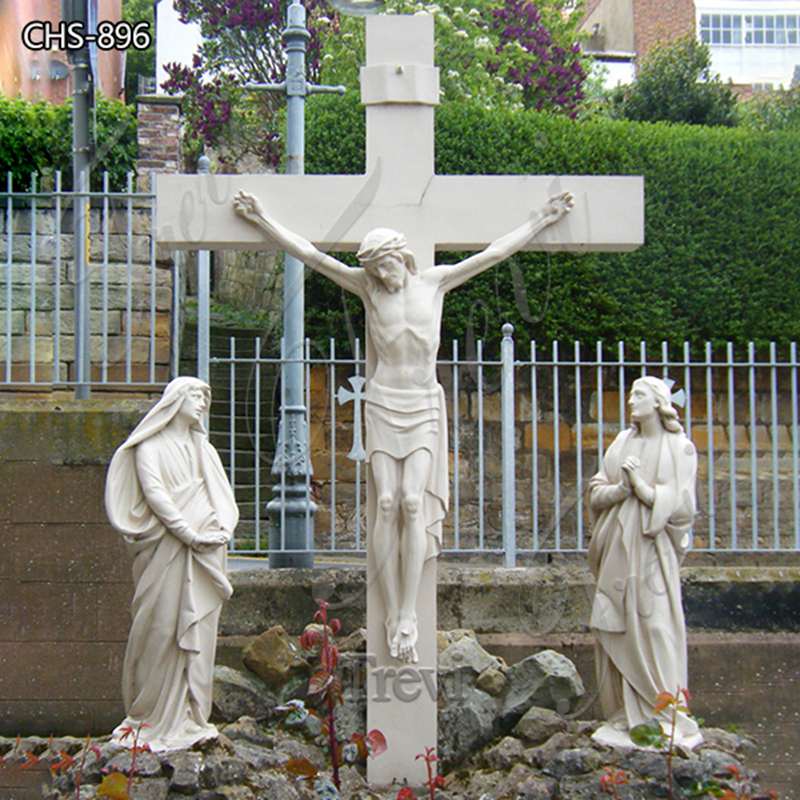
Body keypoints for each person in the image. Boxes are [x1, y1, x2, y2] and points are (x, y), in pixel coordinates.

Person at [233, 189, 573, 663]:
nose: (381, 277)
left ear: (401, 257)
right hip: (383, 403)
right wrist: (262, 219)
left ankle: (409, 611)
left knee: (414, 502)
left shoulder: (435, 283)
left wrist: (541, 220)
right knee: (387, 502)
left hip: (422, 406)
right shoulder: (367, 288)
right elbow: (309, 253)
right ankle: (391, 609)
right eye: (373, 270)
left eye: (385, 267)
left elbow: (493, 253)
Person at [105, 377, 238, 752]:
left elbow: (222, 497)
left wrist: (219, 530)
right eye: (194, 395)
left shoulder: (203, 449)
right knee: (160, 628)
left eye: (205, 398)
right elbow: (156, 495)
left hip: (203, 552)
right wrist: (188, 534)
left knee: (198, 634)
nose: (201, 403)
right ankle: (148, 716)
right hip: (167, 548)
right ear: (174, 400)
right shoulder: (150, 447)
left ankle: (189, 716)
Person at [588, 376, 702, 749]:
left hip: (653, 554)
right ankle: (625, 713)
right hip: (619, 549)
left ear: (658, 402)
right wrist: (621, 489)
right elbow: (596, 492)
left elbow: (683, 509)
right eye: (630, 394)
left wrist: (642, 488)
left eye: (638, 395)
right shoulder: (622, 443)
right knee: (614, 625)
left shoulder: (679, 448)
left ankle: (668, 714)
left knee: (656, 626)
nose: (630, 401)